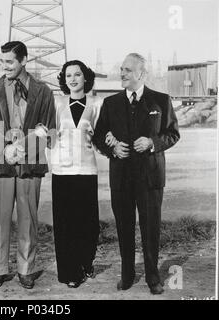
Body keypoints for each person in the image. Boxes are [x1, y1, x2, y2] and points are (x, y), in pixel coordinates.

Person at [92, 53, 180, 295]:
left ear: (142, 74)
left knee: (150, 228)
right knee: (124, 226)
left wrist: (152, 142)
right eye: (121, 69)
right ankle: (127, 275)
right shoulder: (110, 104)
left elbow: (173, 134)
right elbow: (98, 136)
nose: (122, 73)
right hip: (121, 177)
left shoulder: (161, 101)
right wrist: (112, 148)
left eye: (128, 70)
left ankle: (153, 277)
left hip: (150, 177)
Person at [0, 41, 56, 290]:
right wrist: (4, 150)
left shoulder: (43, 92)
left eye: (9, 62)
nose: (5, 66)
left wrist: (22, 149)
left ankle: (26, 269)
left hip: (30, 165)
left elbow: (50, 130)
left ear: (23, 60)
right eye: (2, 62)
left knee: (28, 219)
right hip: (0, 166)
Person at [51, 60, 101, 288]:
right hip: (62, 171)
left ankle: (86, 261)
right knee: (64, 224)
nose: (72, 79)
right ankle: (69, 273)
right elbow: (48, 136)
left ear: (85, 78)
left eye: (77, 74)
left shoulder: (96, 104)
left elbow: (100, 138)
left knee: (87, 223)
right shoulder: (57, 104)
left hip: (87, 170)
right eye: (68, 75)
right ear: (64, 79)